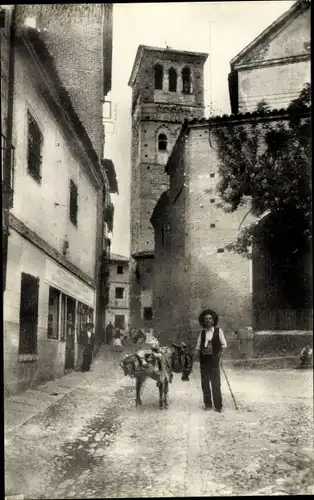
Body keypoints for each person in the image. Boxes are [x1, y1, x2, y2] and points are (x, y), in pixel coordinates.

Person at [194, 309, 227, 412]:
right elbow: (198, 347)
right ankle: (208, 404)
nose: (208, 320)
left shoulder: (218, 331)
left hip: (214, 360)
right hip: (204, 361)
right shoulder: (202, 333)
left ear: (213, 321)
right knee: (205, 383)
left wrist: (220, 358)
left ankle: (218, 406)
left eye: (210, 318)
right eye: (206, 319)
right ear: (203, 321)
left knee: (216, 383)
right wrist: (192, 360)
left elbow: (224, 346)